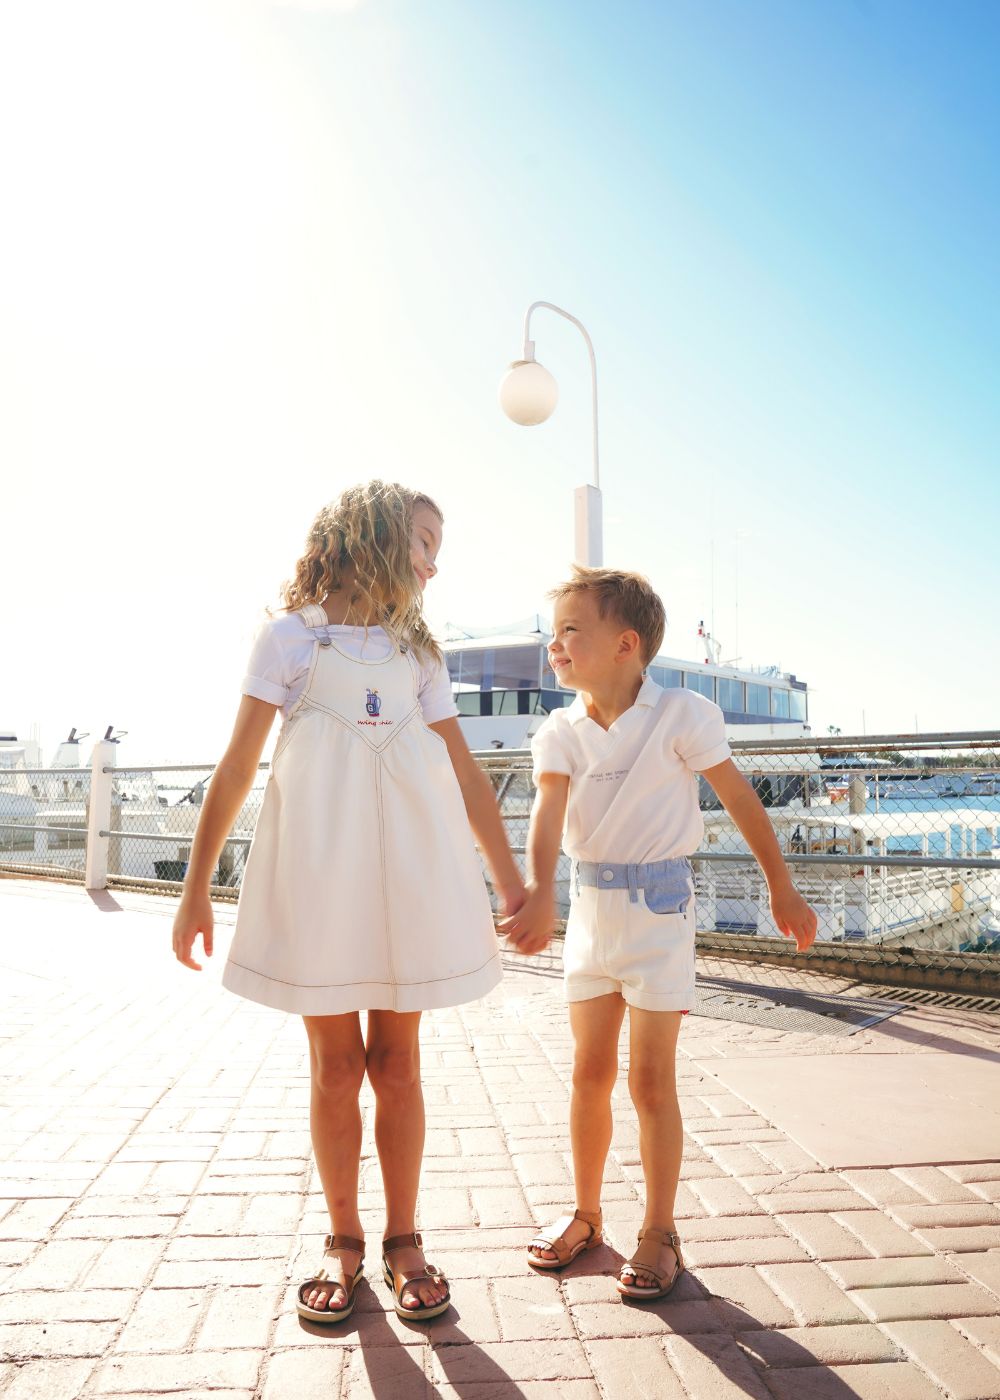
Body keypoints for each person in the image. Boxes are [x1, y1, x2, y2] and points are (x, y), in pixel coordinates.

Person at [171, 481, 524, 1323]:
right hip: (320, 878)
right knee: (335, 1066)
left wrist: (511, 882)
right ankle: (344, 1239)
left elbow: (467, 776)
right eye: (425, 543)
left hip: (407, 880)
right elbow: (236, 767)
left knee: (397, 1064)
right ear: (372, 535)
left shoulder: (418, 657)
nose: (435, 564)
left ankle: (405, 1239)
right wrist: (194, 888)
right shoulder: (291, 640)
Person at [501, 566, 816, 1301]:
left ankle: (660, 1229)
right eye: (554, 634)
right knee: (588, 1073)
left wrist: (782, 887)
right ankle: (585, 1216)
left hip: (660, 914)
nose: (555, 646)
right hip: (590, 916)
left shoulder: (682, 713)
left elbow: (738, 800)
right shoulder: (560, 729)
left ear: (626, 643)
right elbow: (547, 815)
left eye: (570, 631)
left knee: (649, 1081)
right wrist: (540, 889)